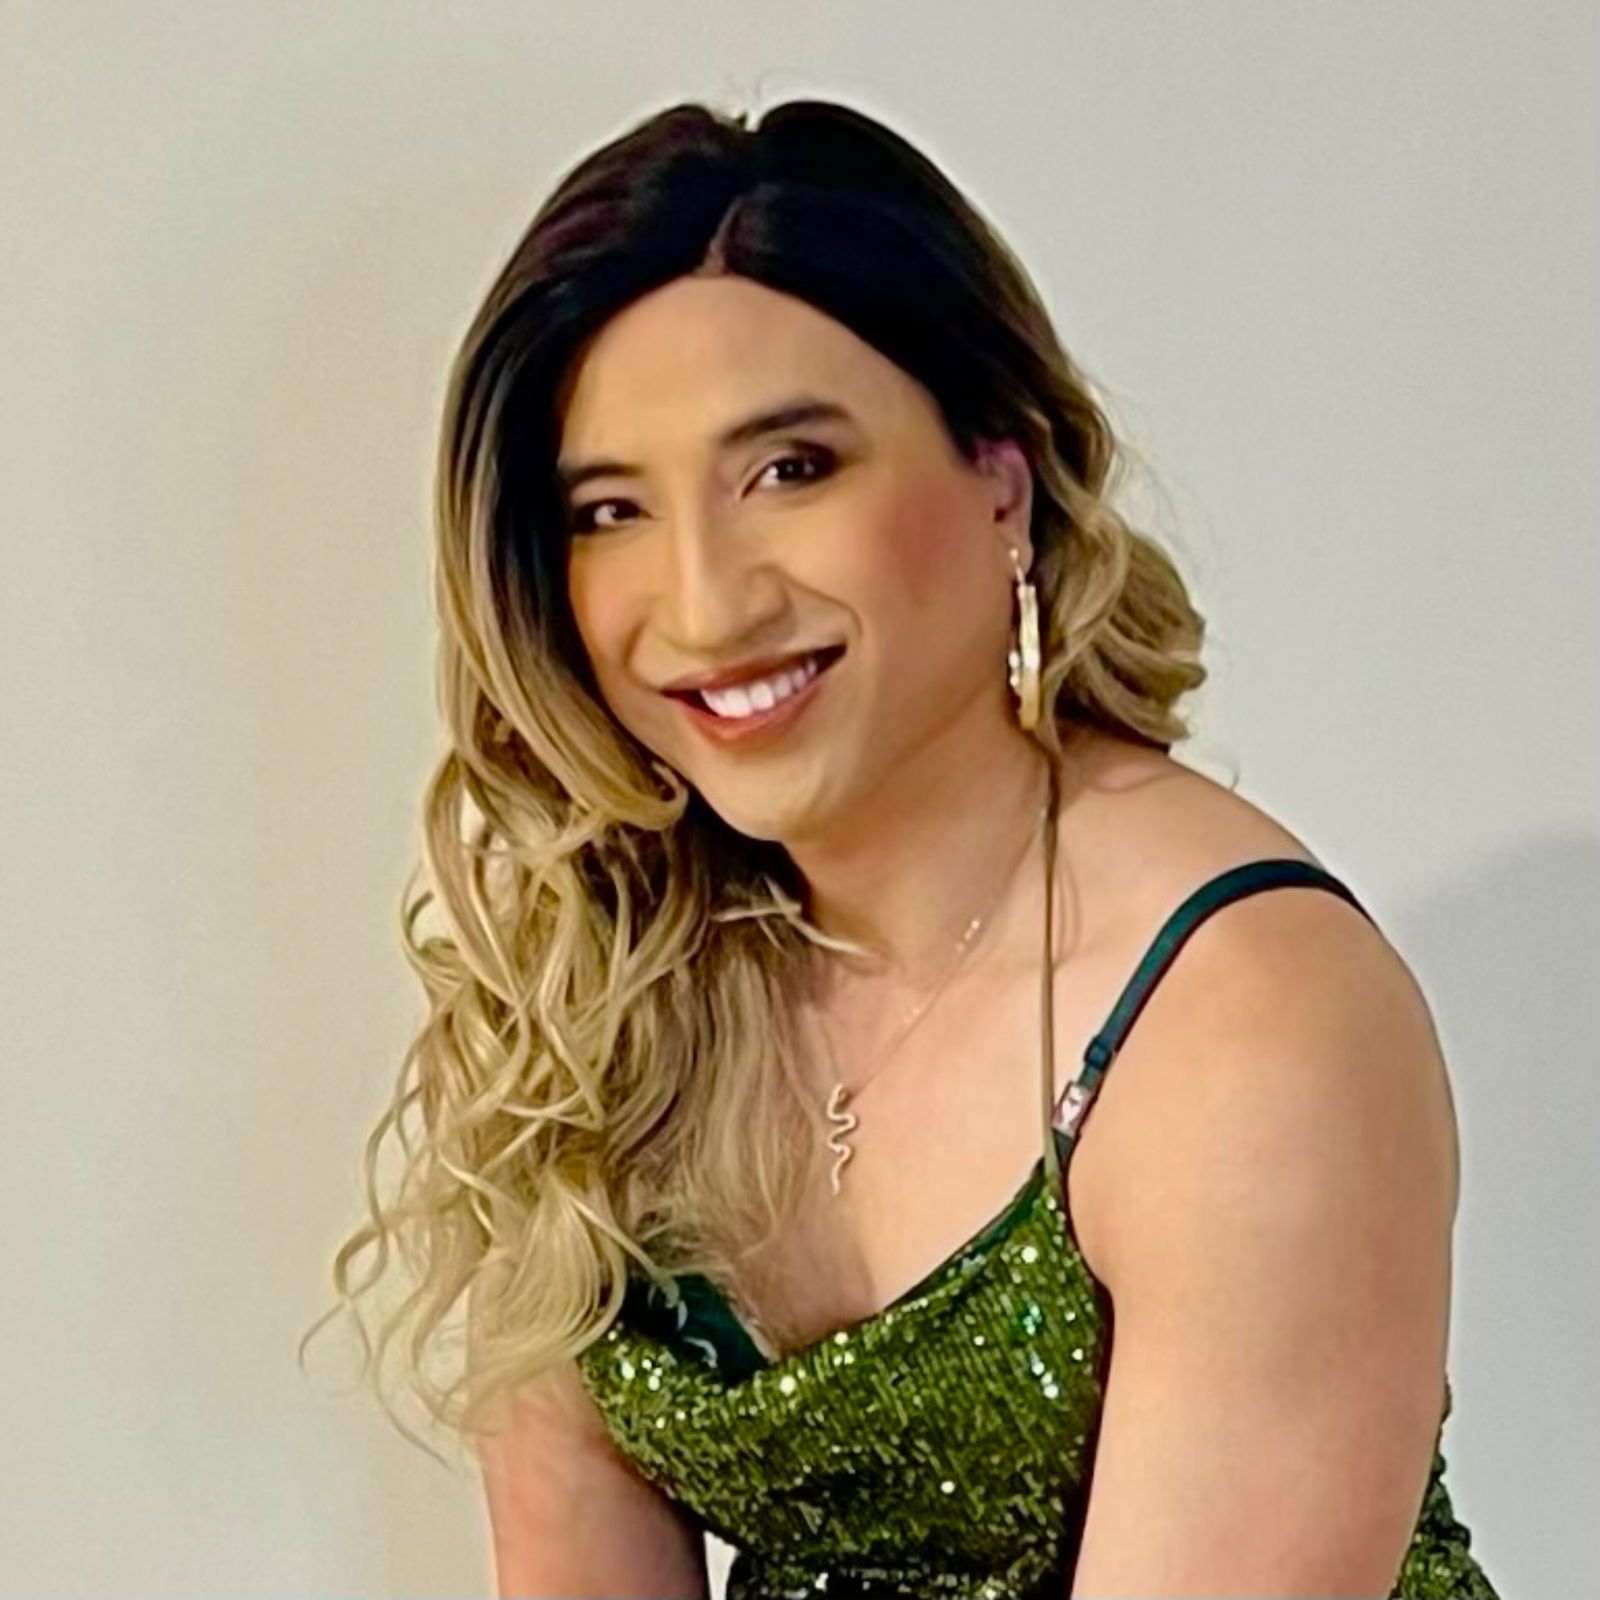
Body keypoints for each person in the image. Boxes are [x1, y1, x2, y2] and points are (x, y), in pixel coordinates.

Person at [312, 98, 1500, 1597]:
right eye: (611, 510)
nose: (704, 604)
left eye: (790, 470)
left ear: (1000, 473)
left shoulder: (1244, 1018)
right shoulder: (602, 974)